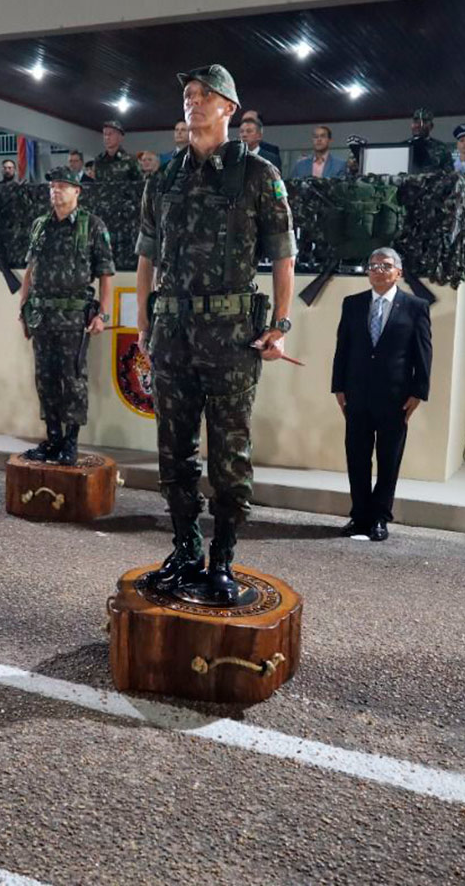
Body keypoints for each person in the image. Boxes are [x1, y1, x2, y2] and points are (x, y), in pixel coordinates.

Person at [135, 64, 295, 606]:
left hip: (231, 337)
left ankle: (222, 558)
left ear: (229, 107)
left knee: (230, 457)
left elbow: (283, 254)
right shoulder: (164, 178)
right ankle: (185, 549)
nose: (193, 103)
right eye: (187, 95)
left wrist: (280, 323)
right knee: (173, 454)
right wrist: (142, 323)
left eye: (206, 96)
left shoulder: (258, 174)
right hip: (173, 332)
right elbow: (146, 256)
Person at [331, 247, 432, 543]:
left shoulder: (415, 306)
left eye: (385, 265)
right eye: (372, 265)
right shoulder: (353, 304)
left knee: (389, 460)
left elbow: (423, 352)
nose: (377, 270)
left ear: (398, 272)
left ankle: (379, 518)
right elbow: (343, 349)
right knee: (357, 457)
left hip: (396, 396)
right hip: (356, 395)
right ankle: (359, 515)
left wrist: (419, 391)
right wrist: (338, 386)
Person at [17, 166, 115, 465]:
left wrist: (104, 315)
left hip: (75, 320)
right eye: (52, 186)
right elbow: (30, 271)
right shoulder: (39, 226)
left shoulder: (93, 226)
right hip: (42, 317)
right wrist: (23, 309)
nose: (55, 191)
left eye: (62, 186)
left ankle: (70, 443)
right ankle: (53, 438)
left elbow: (106, 275)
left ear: (77, 191)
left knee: (72, 380)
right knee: (45, 379)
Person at [407, 108, 453, 174]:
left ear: (431, 126)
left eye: (424, 122)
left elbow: (450, 174)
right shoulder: (405, 147)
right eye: (416, 122)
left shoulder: (441, 148)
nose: (418, 125)